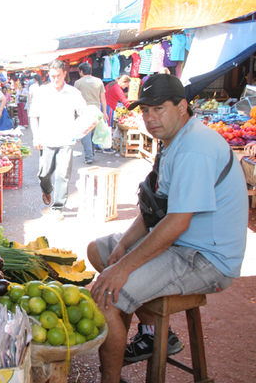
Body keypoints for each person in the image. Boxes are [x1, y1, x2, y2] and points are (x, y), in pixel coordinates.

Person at [87, 74, 248, 383]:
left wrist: (123, 268)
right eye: (145, 111)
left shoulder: (194, 149)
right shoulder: (174, 142)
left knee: (104, 298)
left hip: (206, 257)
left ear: (182, 106)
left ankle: (109, 379)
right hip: (181, 242)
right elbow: (156, 210)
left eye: (159, 109)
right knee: (100, 251)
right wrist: (122, 248)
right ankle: (151, 332)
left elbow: (176, 223)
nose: (150, 118)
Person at [29, 59, 87, 221]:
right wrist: (36, 136)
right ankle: (47, 190)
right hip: (46, 138)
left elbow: (84, 113)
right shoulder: (42, 92)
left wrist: (88, 121)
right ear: (49, 74)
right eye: (53, 76)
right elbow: (33, 116)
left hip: (66, 139)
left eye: (59, 76)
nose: (56, 79)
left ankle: (58, 207)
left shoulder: (73, 93)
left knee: (63, 174)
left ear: (64, 74)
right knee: (44, 173)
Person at [75, 63, 107, 164]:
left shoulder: (78, 82)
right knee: (93, 133)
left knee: (85, 134)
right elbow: (103, 98)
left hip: (84, 111)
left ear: (81, 71)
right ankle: (91, 154)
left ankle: (89, 157)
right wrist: (105, 112)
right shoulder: (99, 81)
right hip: (96, 110)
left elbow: (75, 99)